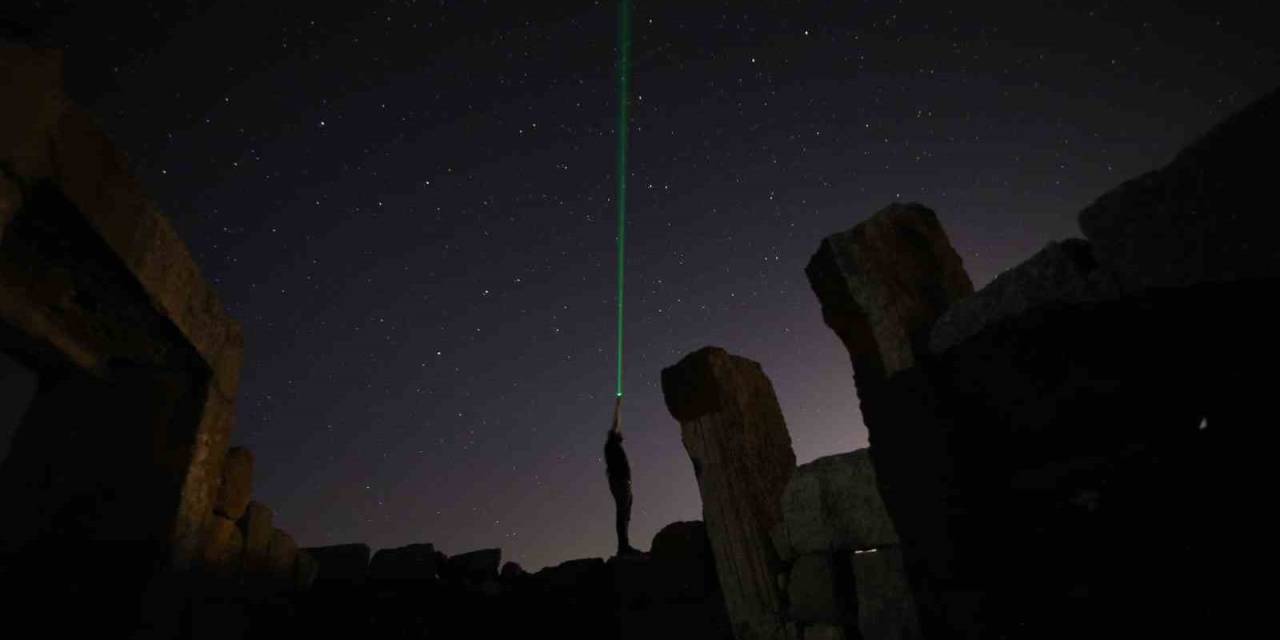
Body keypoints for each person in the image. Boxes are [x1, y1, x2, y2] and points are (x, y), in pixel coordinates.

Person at [605, 396, 640, 556]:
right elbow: (616, 423)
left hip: (624, 481)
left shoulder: (614, 445)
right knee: (622, 511)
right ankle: (623, 547)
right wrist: (618, 405)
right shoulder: (611, 443)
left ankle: (625, 545)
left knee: (625, 512)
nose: (622, 433)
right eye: (619, 432)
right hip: (620, 481)